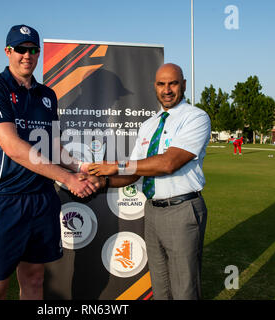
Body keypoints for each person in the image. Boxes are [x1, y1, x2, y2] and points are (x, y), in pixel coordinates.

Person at [0, 24, 100, 300]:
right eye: (20, 49)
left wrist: (80, 168)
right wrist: (67, 179)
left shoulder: (47, 95)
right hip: (4, 200)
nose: (26, 55)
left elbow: (53, 147)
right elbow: (13, 147)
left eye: (32, 50)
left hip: (42, 199)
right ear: (8, 51)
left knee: (34, 279)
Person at [87, 63, 211, 300]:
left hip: (182, 210)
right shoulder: (149, 125)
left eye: (173, 83)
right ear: (154, 87)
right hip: (152, 211)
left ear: (183, 85)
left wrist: (115, 165)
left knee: (185, 289)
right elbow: (134, 173)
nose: (167, 89)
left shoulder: (196, 117)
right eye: (161, 84)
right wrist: (102, 182)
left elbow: (168, 163)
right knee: (160, 288)